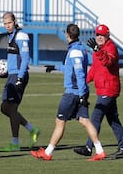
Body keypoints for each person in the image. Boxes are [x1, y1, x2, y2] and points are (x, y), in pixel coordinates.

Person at [30, 23, 107, 161]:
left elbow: (79, 73)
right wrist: (55, 67)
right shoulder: (78, 48)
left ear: (67, 35)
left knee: (60, 121)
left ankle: (48, 152)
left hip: (74, 93)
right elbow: (70, 69)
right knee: (84, 121)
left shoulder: (75, 51)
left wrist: (82, 94)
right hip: (79, 92)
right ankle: (100, 151)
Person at [73, 24, 123, 159]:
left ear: (107, 36)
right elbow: (94, 69)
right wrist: (82, 81)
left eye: (102, 35)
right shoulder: (97, 50)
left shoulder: (111, 48)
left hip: (108, 89)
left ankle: (88, 147)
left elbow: (108, 62)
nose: (99, 37)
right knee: (113, 120)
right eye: (97, 35)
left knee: (95, 118)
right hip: (103, 88)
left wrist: (98, 50)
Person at [0, 12, 40, 152]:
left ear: (15, 21)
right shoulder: (11, 36)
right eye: (5, 24)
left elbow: (25, 58)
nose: (7, 26)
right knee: (5, 108)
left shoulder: (21, 36)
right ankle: (32, 129)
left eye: (9, 23)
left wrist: (20, 77)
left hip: (18, 76)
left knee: (11, 108)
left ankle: (15, 143)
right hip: (12, 75)